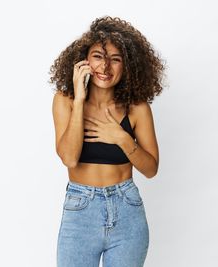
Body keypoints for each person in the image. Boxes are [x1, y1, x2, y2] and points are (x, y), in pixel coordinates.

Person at [50, 16, 165, 267]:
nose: (105, 67)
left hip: (127, 208)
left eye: (115, 59)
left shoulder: (137, 109)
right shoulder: (66, 100)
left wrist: (122, 139)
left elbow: (151, 169)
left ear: (127, 66)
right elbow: (69, 158)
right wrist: (80, 100)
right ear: (84, 60)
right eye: (98, 57)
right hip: (81, 211)